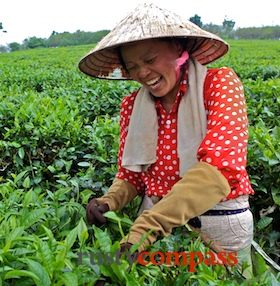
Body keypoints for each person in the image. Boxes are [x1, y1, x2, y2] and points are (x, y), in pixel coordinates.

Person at [78, 2, 254, 278]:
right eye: (133, 67)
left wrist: (144, 229)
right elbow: (132, 173)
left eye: (149, 60)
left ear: (179, 49)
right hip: (152, 229)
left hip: (216, 222)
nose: (142, 73)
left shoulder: (219, 85)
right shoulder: (133, 106)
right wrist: (109, 201)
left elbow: (220, 169)